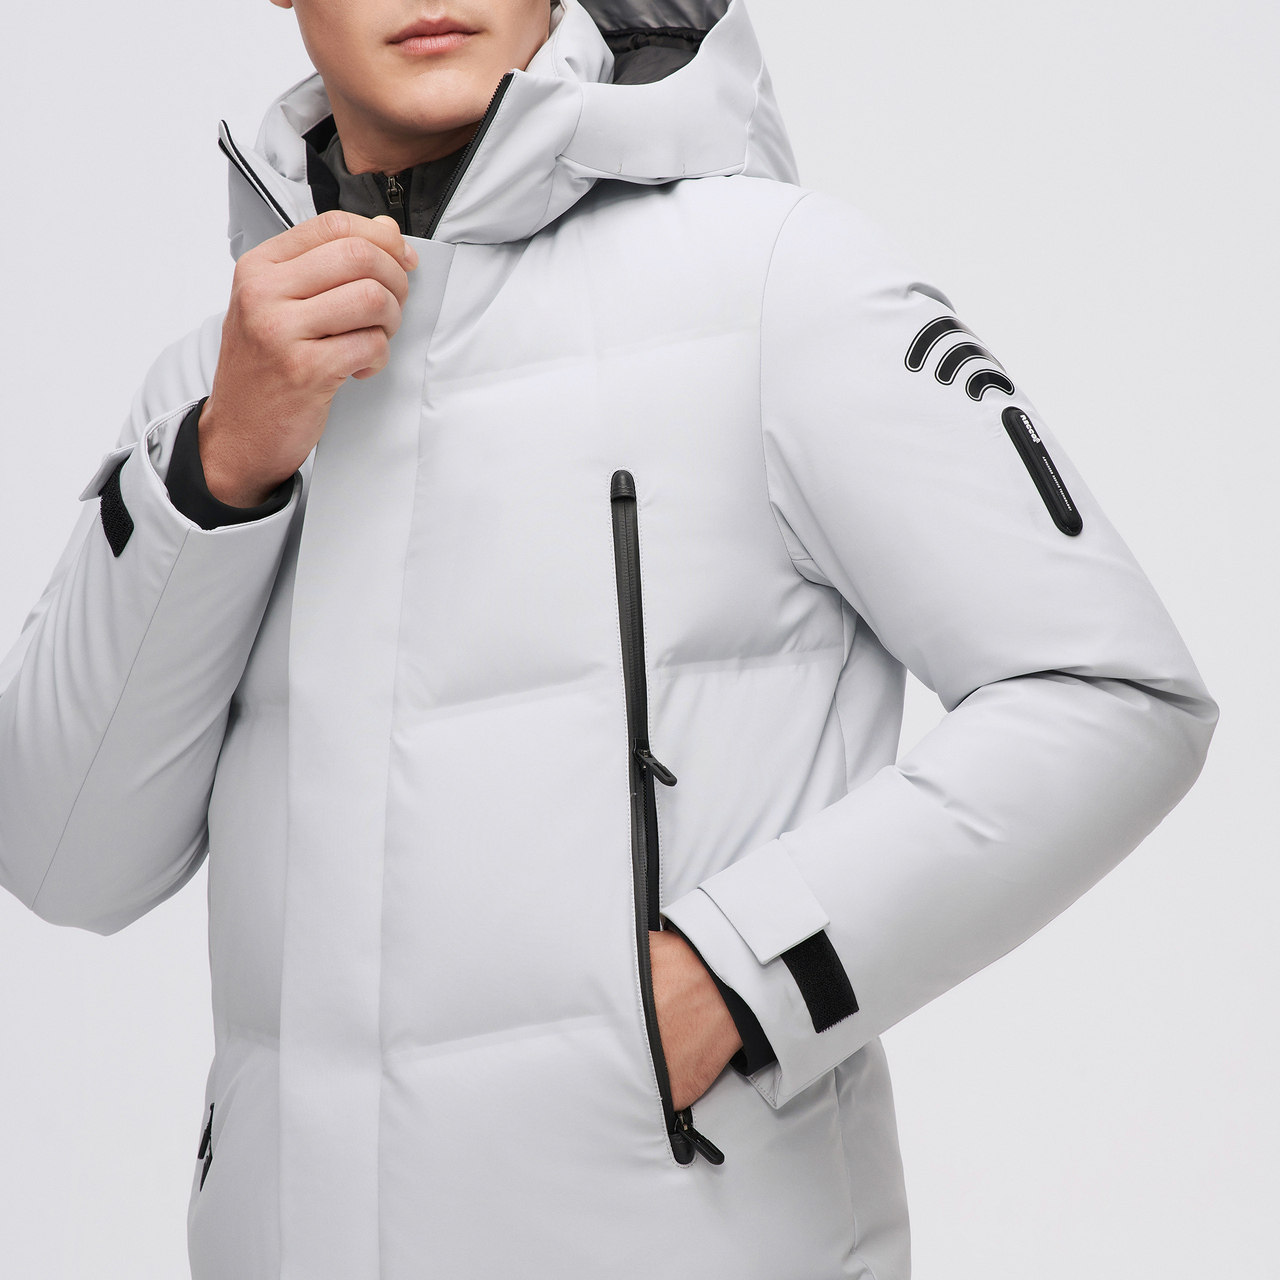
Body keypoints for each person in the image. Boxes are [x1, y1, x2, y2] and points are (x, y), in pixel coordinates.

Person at [0, 0, 1217, 1276]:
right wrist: (214, 471)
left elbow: (1113, 691)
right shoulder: (221, 385)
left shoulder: (773, 282)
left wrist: (742, 972)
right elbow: (64, 855)